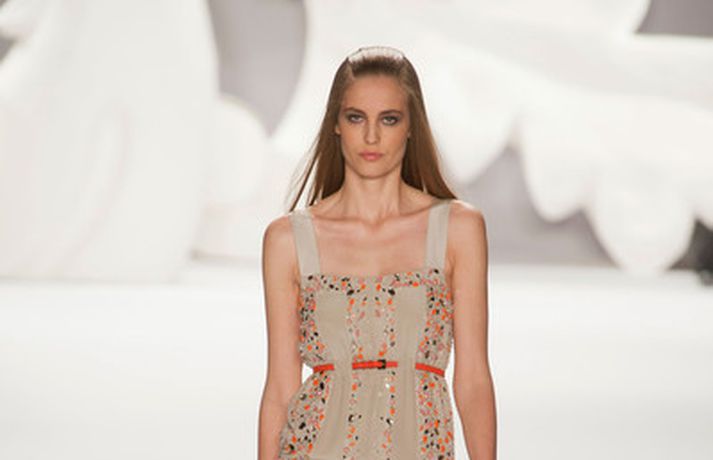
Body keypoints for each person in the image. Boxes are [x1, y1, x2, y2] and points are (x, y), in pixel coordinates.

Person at [258, 45, 496, 459]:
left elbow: (473, 379)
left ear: (411, 126)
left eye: (389, 119)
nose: (371, 136)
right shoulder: (288, 240)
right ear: (336, 125)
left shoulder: (458, 230)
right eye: (356, 118)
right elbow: (280, 387)